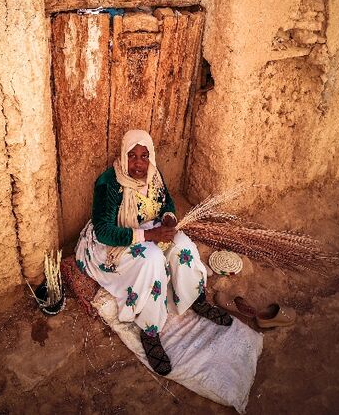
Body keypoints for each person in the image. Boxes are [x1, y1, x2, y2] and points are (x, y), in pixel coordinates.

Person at [76, 129, 232, 376]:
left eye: (144, 155)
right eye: (132, 156)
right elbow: (104, 231)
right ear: (123, 155)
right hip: (114, 241)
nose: (139, 163)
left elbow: (167, 203)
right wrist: (149, 236)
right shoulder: (109, 182)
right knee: (152, 259)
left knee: (183, 247)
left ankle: (194, 299)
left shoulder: (154, 174)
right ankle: (149, 331)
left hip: (149, 228)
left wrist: (168, 220)